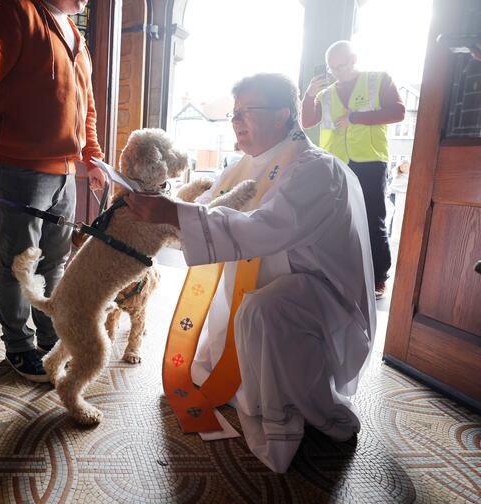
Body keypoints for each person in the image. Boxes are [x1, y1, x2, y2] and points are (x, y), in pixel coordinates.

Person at [124, 73, 376, 473]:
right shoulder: (244, 166)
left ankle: (303, 417)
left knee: (265, 310)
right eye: (234, 112)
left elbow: (264, 229)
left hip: (322, 297)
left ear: (283, 115)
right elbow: (205, 209)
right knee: (246, 305)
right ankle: (247, 388)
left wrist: (175, 214)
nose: (236, 121)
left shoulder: (316, 169)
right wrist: (151, 210)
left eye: (247, 112)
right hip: (265, 287)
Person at [0, 0, 107, 382]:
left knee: (55, 261)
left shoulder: (77, 36)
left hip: (66, 172)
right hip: (19, 167)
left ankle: (51, 337)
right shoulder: (16, 10)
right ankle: (19, 346)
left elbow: (87, 102)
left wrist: (93, 154)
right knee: (20, 264)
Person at [301, 40, 405, 299]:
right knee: (335, 220)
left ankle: (379, 277)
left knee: (372, 219)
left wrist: (355, 118)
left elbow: (398, 112)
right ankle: (340, 273)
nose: (338, 72)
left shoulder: (378, 80)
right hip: (336, 164)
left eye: (343, 65)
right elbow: (306, 121)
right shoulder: (325, 94)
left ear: (355, 58)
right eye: (332, 68)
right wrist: (309, 94)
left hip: (370, 161)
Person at [387, 160, 409, 243]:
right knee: (398, 215)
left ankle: (401, 234)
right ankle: (396, 235)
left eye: (406, 166)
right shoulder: (398, 177)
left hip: (407, 198)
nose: (405, 168)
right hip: (400, 198)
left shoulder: (410, 175)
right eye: (403, 166)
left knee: (404, 216)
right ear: (400, 167)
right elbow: (392, 187)